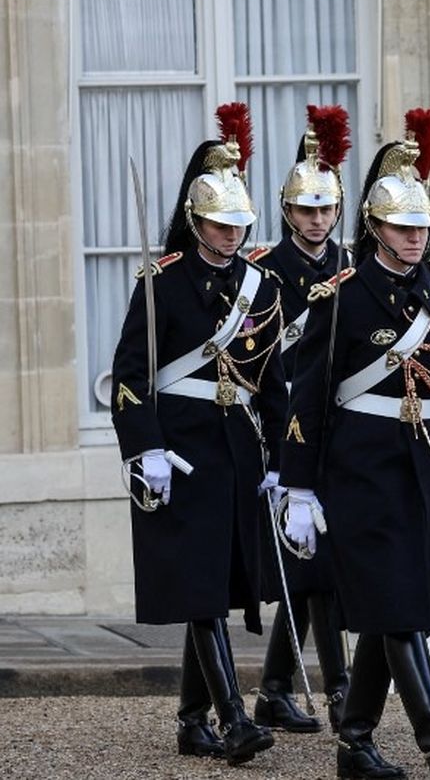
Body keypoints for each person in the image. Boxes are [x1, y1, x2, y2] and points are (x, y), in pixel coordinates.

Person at [278, 108, 430, 780]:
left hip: (423, 464)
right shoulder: (341, 297)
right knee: (395, 601)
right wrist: (298, 486)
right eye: (402, 228)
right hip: (360, 466)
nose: (415, 238)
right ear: (375, 227)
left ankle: (355, 743)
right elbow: (308, 398)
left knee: (393, 606)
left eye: (422, 228)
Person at [111, 102, 283, 765]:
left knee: (211, 584)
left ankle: (191, 719)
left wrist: (281, 460)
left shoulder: (261, 287)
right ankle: (234, 719)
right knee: (200, 586)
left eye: (238, 223)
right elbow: (130, 375)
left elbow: (272, 380)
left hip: (236, 451)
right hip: (180, 451)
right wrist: (144, 446)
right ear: (195, 219)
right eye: (218, 223)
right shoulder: (162, 283)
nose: (230, 234)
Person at [247, 103, 354, 735]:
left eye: (325, 210)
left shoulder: (353, 268)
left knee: (320, 559)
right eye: (306, 211)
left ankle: (275, 689)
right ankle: (338, 688)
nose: (317, 221)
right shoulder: (263, 273)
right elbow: (252, 359)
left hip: (343, 428)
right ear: (288, 213)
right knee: (310, 561)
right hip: (284, 424)